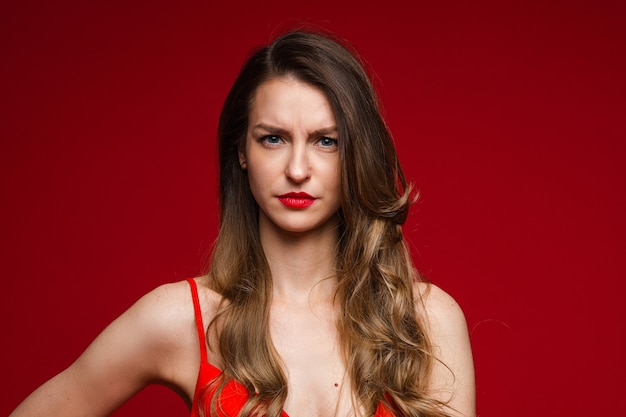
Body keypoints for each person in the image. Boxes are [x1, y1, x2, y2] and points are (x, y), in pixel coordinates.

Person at [9, 29, 475, 417]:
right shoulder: (184, 319)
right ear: (241, 152)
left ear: (358, 155)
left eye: (326, 141)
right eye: (272, 138)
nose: (297, 168)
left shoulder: (424, 323)